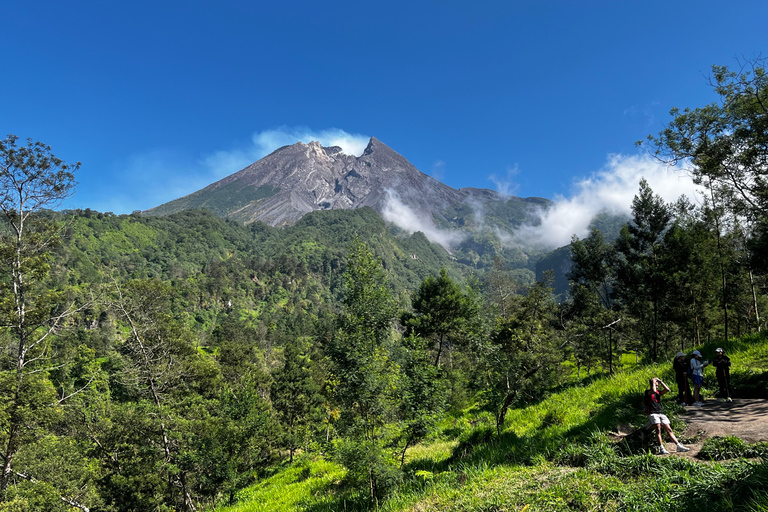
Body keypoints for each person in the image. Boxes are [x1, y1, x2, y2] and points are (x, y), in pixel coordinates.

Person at [643, 377, 690, 454]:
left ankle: (678, 445)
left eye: (657, 385)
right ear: (652, 385)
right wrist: (653, 382)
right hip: (652, 413)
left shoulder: (658, 393)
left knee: (669, 429)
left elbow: (667, 389)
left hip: (660, 413)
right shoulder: (647, 392)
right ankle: (662, 448)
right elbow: (653, 390)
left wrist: (661, 382)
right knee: (658, 429)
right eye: (656, 385)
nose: (657, 387)